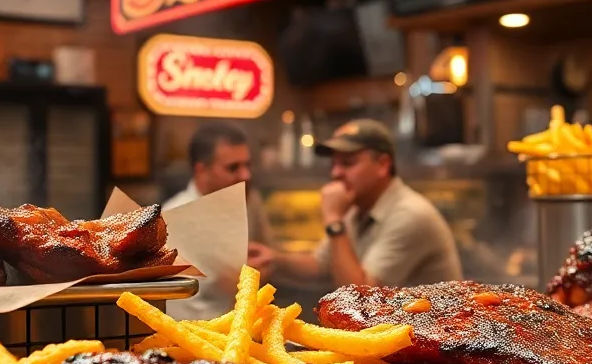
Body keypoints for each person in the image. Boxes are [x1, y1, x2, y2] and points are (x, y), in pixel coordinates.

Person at [247, 118, 462, 291]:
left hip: (432, 339)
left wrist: (334, 220)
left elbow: (362, 298)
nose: (335, 173)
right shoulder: (357, 205)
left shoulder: (410, 214)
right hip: (392, 335)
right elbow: (319, 264)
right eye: (334, 164)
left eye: (348, 163)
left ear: (383, 165)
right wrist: (273, 258)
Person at [164, 122, 275, 319]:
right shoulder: (173, 218)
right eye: (233, 168)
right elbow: (180, 303)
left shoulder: (250, 201)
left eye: (247, 165)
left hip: (247, 327)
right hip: (196, 335)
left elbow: (267, 253)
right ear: (201, 171)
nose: (246, 175)